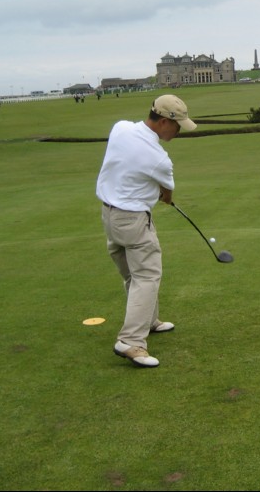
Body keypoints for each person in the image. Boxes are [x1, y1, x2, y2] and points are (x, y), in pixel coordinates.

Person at [95, 95, 196, 368]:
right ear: (164, 122)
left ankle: (149, 320)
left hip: (109, 216)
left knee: (132, 275)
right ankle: (131, 341)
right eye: (177, 126)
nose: (178, 132)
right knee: (148, 276)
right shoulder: (159, 158)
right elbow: (167, 192)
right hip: (133, 220)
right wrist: (164, 195)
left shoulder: (121, 128)